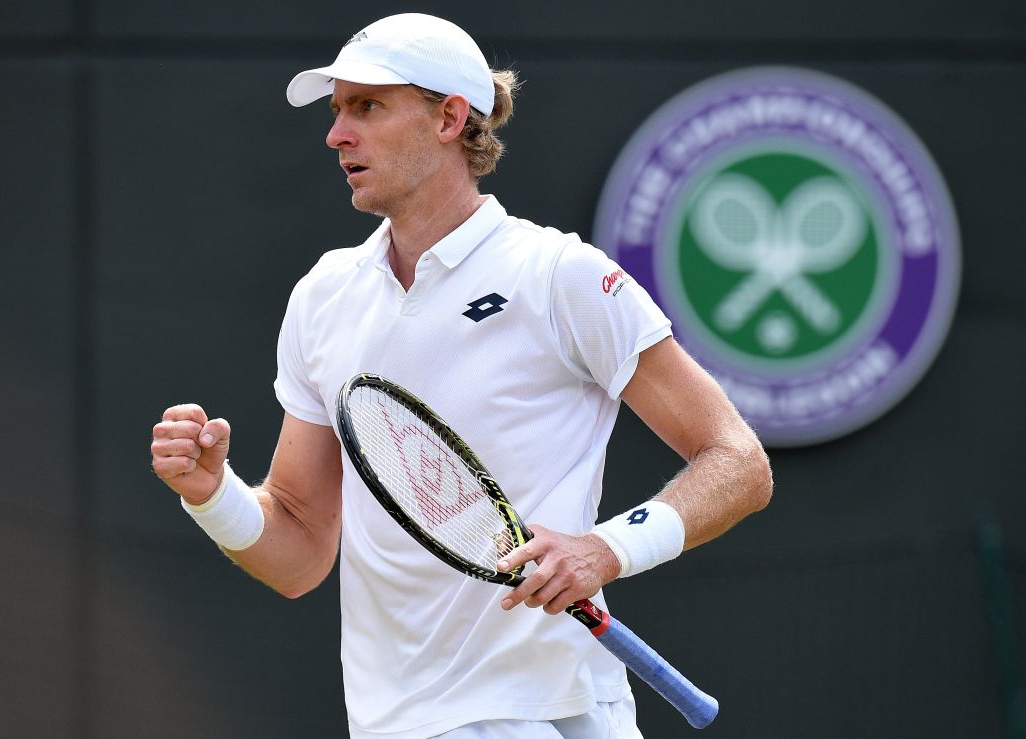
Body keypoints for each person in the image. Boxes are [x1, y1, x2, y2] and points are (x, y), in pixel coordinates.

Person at [150, 13, 772, 739]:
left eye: (368, 107)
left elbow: (739, 462)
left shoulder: (558, 275)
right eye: (337, 110)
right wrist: (211, 494)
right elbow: (298, 553)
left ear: (449, 117)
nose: (337, 134)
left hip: (575, 708)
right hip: (413, 723)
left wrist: (606, 549)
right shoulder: (324, 297)